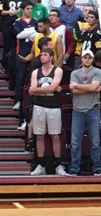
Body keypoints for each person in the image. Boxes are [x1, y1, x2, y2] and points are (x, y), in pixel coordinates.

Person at [29, 48, 66, 176]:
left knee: (55, 136)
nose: (42, 57)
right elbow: (31, 90)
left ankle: (58, 165)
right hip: (39, 106)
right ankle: (41, 165)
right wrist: (52, 89)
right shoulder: (35, 72)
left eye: (45, 55)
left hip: (54, 107)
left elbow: (49, 87)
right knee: (39, 136)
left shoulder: (58, 70)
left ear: (51, 57)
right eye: (41, 55)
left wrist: (39, 90)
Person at [69, 49, 101, 176]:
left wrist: (78, 86)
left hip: (93, 108)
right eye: (85, 57)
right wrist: (92, 89)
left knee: (95, 141)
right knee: (75, 141)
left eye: (90, 57)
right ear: (81, 59)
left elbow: (91, 87)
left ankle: (97, 168)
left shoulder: (98, 71)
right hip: (77, 109)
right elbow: (75, 91)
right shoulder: (74, 72)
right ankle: (74, 168)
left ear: (93, 59)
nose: (87, 59)